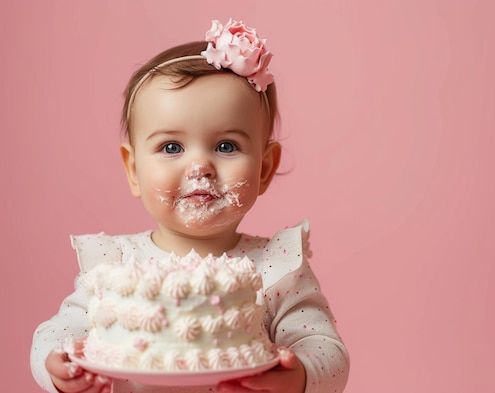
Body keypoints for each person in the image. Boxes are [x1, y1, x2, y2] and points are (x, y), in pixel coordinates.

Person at [30, 19, 349, 393]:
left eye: (226, 146)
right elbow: (58, 331)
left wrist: (300, 375)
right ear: (134, 170)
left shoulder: (276, 269)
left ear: (264, 168)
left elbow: (325, 348)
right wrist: (59, 366)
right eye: (172, 148)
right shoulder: (117, 267)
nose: (199, 168)